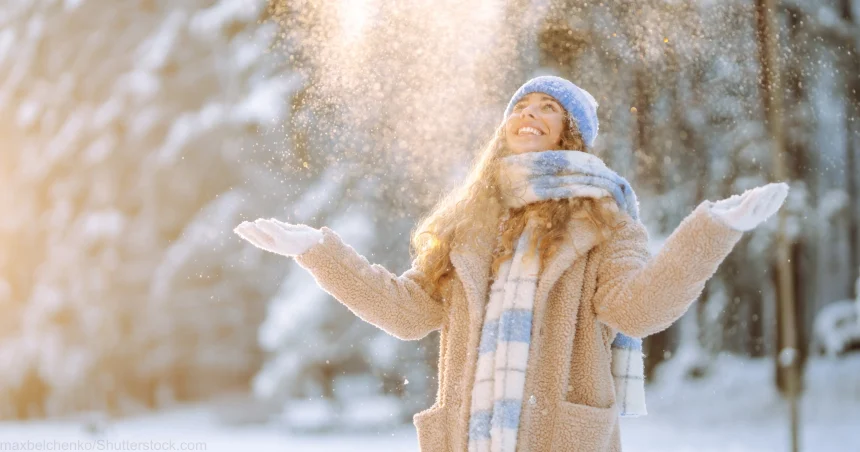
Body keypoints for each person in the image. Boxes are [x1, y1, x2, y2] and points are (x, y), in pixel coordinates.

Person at [234, 75, 789, 452]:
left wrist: (711, 232)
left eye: (548, 107)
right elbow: (406, 313)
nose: (530, 114)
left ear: (572, 132)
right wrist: (317, 252)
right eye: (521, 107)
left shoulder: (606, 222)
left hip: (556, 437)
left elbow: (639, 310)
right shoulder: (469, 222)